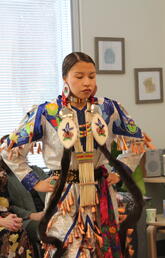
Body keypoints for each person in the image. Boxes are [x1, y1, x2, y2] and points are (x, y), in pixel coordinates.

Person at [0, 52, 154, 258]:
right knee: (66, 248)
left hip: (101, 193)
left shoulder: (108, 108)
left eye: (92, 76)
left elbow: (138, 141)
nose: (87, 82)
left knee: (102, 247)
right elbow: (10, 150)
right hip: (65, 196)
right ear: (65, 78)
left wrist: (121, 171)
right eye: (79, 76)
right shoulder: (47, 112)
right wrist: (35, 182)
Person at [0, 157, 34, 257]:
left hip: (5, 212)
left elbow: (21, 173)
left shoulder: (6, 161)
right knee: (7, 234)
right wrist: (2, 221)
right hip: (2, 219)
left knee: (19, 229)